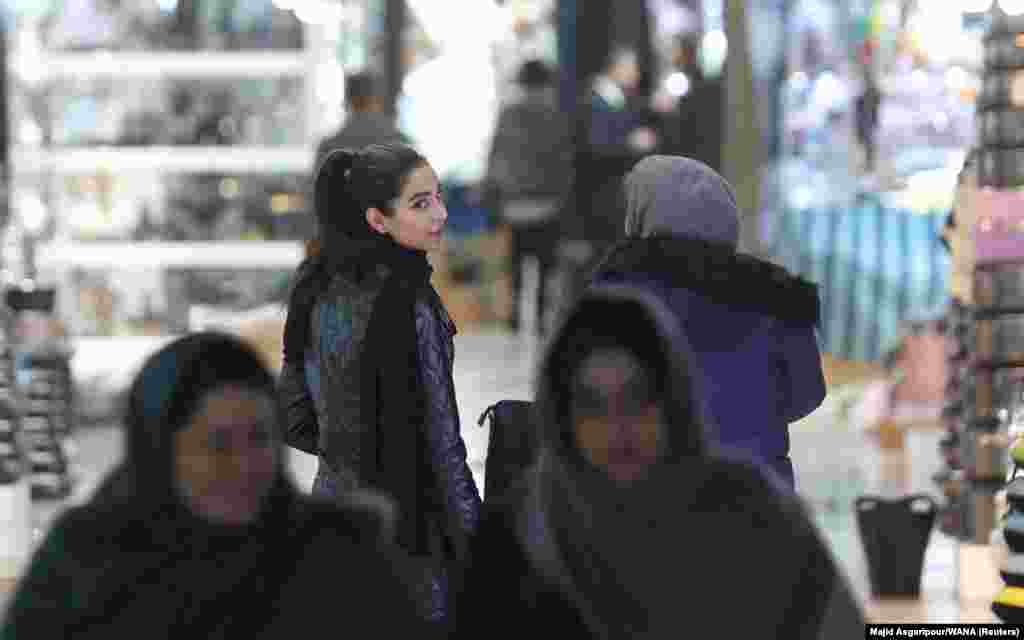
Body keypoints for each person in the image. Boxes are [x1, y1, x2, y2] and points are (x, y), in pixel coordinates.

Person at [455, 285, 864, 638]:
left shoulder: (755, 516)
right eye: (593, 406)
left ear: (673, 405)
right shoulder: (513, 541)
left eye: (636, 399)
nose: (618, 428)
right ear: (562, 417)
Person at [0, 332, 428, 639]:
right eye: (218, 444)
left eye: (259, 437)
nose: (244, 465)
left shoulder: (342, 554)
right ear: (160, 452)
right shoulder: (83, 559)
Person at [278, 143, 481, 627]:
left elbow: (295, 415)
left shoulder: (318, 284)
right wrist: (484, 548)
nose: (441, 214)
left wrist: (345, 448)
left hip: (328, 525)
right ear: (377, 220)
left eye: (437, 197)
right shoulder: (412, 303)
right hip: (404, 536)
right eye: (420, 203)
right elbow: (442, 446)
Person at [591, 156, 826, 488]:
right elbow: (807, 392)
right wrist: (749, 416)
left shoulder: (616, 293)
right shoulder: (778, 296)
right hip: (759, 495)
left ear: (642, 215)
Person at [484, 59, 572, 333]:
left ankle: (514, 320)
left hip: (513, 205)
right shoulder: (556, 115)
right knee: (546, 266)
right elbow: (564, 162)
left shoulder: (508, 114)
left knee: (515, 265)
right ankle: (541, 322)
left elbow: (495, 158)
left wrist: (493, 196)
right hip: (548, 204)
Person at [315, 71, 410, 168]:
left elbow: (315, 181)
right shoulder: (401, 144)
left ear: (348, 101)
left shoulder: (329, 148)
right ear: (380, 100)